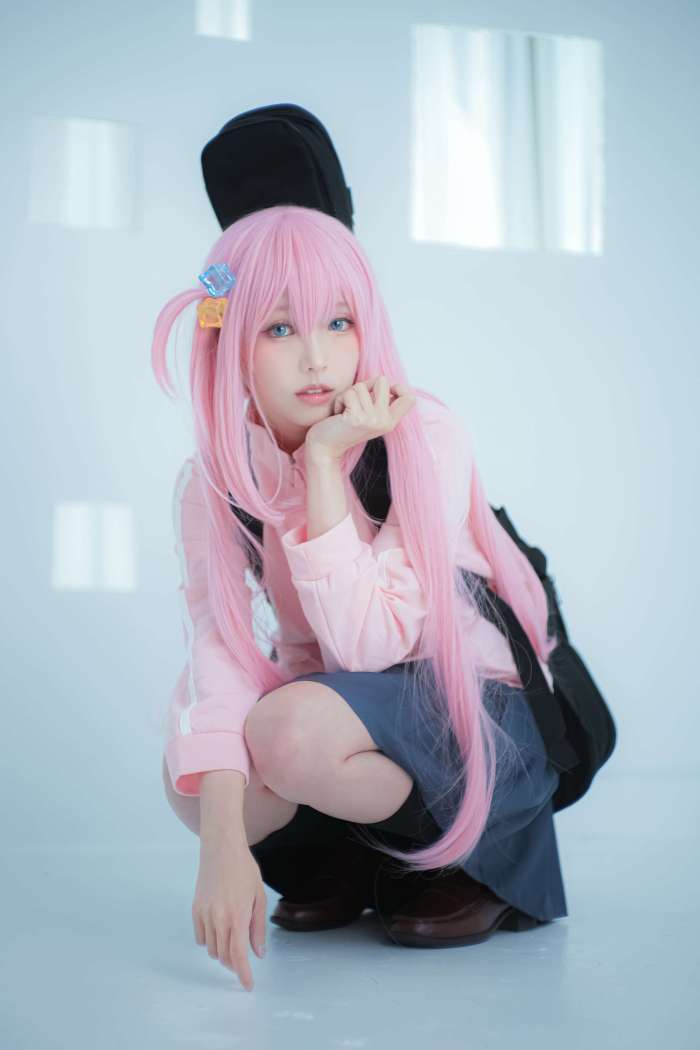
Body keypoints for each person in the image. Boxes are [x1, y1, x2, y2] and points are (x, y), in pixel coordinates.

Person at [152, 204, 567, 993]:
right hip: (350, 704)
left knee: (287, 732)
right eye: (279, 329)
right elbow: (217, 646)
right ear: (228, 339)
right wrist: (221, 845)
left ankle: (454, 863)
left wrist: (321, 467)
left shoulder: (422, 433)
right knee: (197, 785)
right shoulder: (212, 481)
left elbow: (374, 643)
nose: (317, 358)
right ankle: (353, 856)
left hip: (473, 702)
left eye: (338, 322)